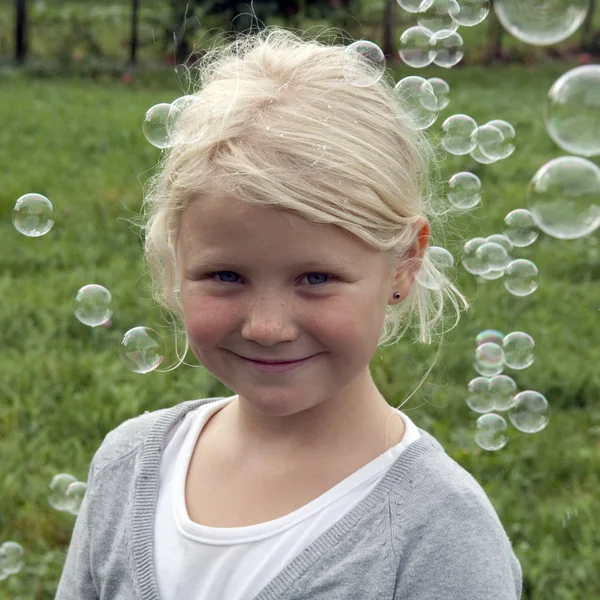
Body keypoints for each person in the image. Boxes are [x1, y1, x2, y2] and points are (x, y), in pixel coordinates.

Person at [56, 26, 522, 600]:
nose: (267, 327)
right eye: (226, 276)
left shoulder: (438, 534)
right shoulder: (127, 466)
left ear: (404, 264)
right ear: (176, 259)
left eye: (316, 278)